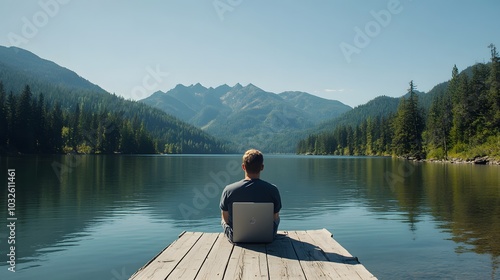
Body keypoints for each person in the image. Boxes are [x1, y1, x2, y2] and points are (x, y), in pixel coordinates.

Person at [219, 149, 282, 243]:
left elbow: (225, 217)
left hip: (235, 236)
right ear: (262, 167)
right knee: (277, 217)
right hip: (267, 236)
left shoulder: (229, 190)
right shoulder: (273, 190)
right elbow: (275, 216)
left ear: (243, 167)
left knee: (223, 218)